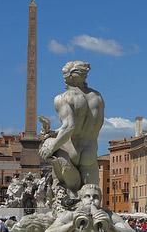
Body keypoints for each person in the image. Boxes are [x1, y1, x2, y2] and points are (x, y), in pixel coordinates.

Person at [39, 61, 105, 193]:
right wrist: (55, 132)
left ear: (67, 77)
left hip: (70, 151)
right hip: (90, 152)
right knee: (91, 199)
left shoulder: (63, 98)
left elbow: (69, 127)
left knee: (63, 195)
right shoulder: (97, 97)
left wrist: (51, 147)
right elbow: (83, 125)